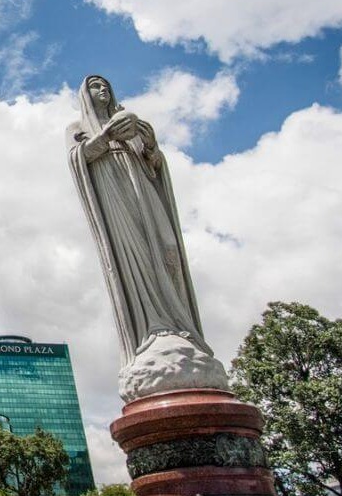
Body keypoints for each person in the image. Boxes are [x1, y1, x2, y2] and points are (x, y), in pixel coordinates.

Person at [67, 75, 226, 399]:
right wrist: (106, 136)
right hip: (116, 203)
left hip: (145, 196)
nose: (102, 90)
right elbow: (77, 159)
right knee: (134, 258)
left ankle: (181, 327)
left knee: (168, 253)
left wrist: (148, 141)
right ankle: (153, 328)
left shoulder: (135, 125)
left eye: (105, 85)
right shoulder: (77, 129)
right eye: (94, 86)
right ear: (85, 95)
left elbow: (154, 163)